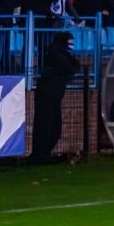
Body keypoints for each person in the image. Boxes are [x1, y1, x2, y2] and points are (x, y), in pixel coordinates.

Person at [32, 32, 77, 163]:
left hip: (55, 95)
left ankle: (44, 154)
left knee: (55, 128)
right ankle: (39, 156)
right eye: (69, 42)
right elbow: (69, 67)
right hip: (47, 94)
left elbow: (75, 65)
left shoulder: (62, 53)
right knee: (45, 126)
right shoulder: (53, 52)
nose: (71, 46)